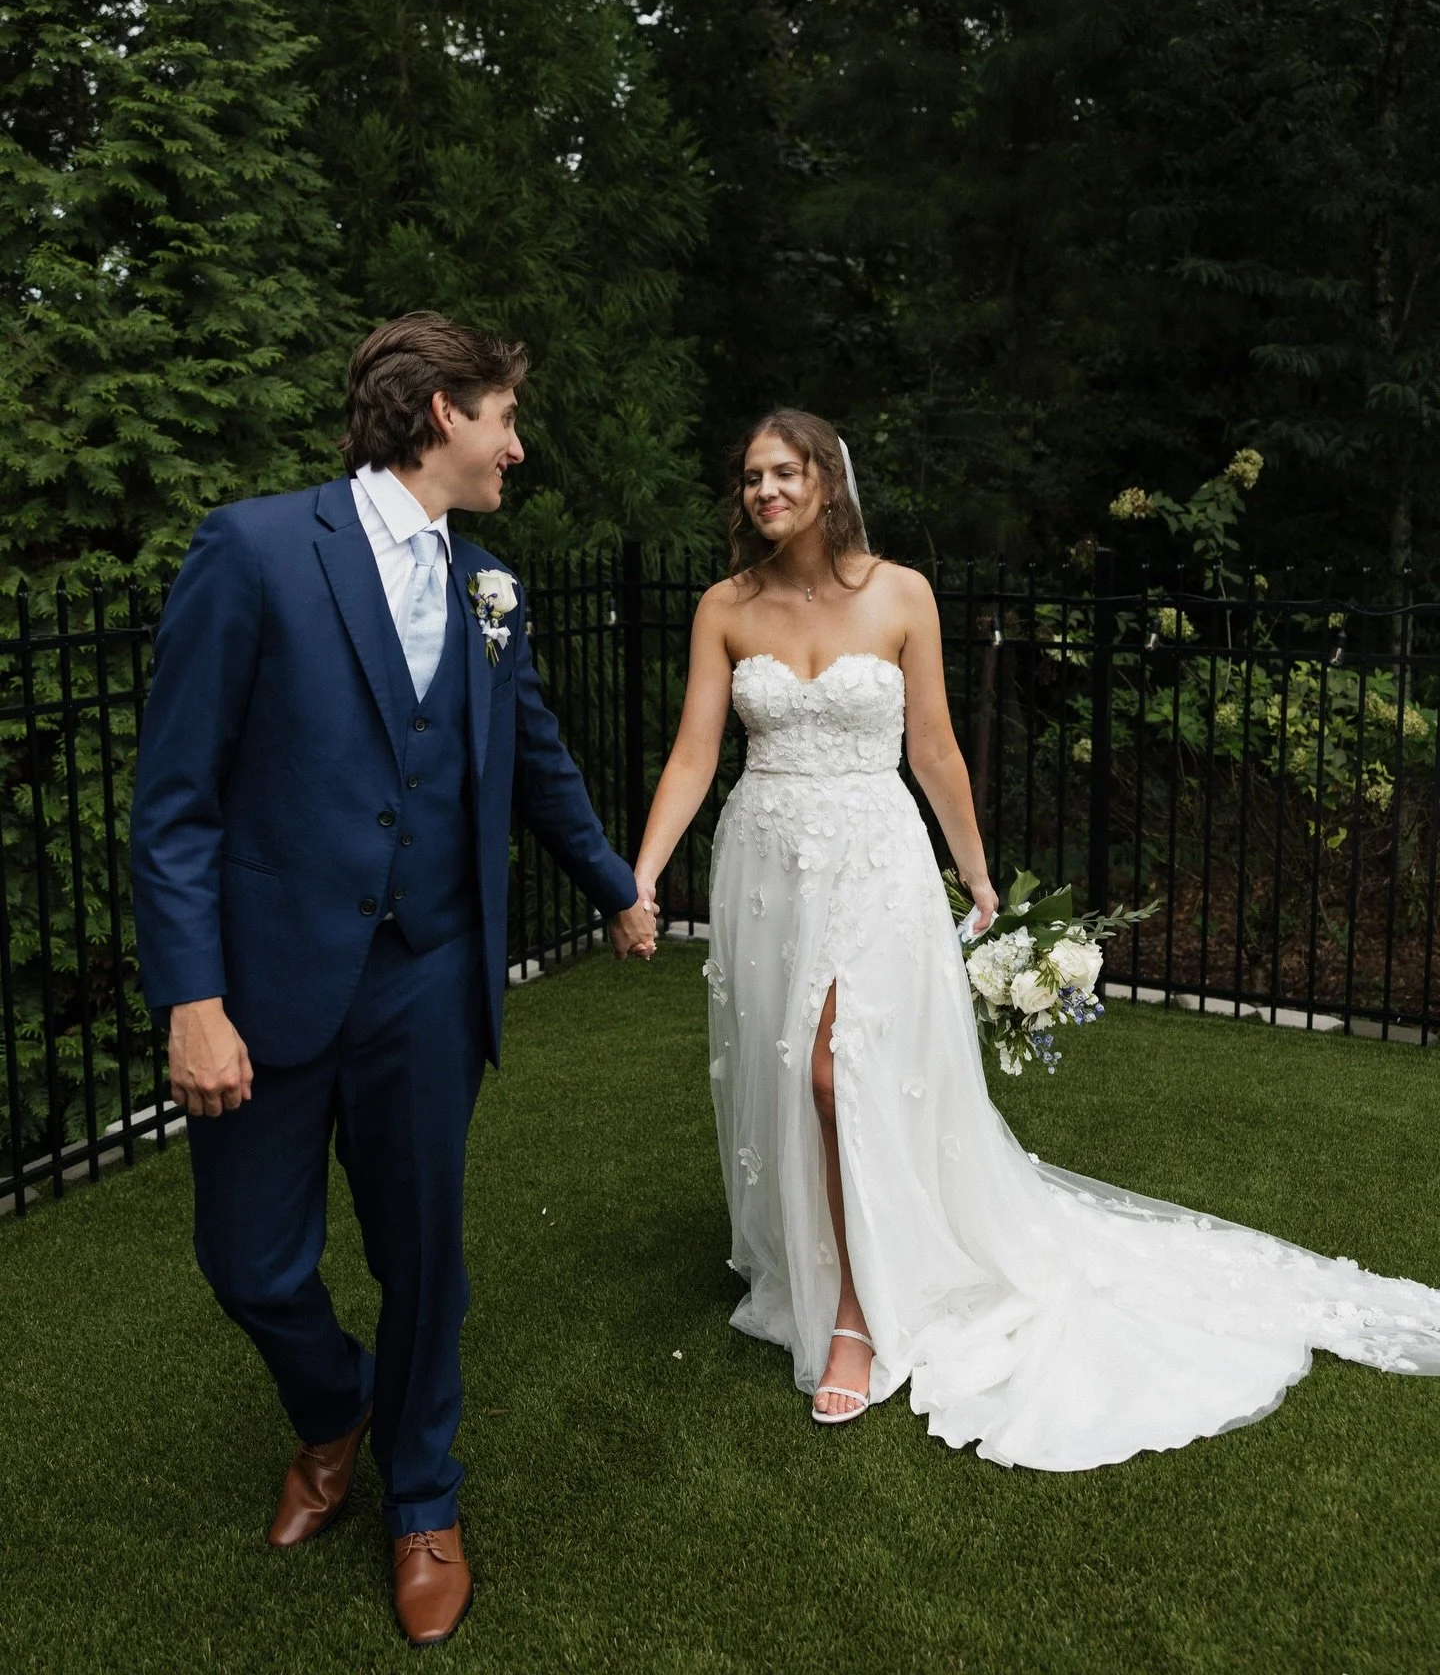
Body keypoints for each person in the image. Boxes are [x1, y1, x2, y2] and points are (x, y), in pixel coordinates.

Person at [634, 409, 1440, 1461]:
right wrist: (642, 876)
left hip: (876, 862)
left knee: (838, 1072)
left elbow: (933, 748)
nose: (765, 491)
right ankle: (819, 1255)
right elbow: (697, 753)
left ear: (828, 484)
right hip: (765, 868)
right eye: (751, 477)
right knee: (792, 1076)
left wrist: (974, 877)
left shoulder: (902, 594)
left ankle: (859, 1318)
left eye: (784, 473)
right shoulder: (723, 607)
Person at [130, 312, 656, 1647]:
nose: (516, 450)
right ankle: (331, 1411)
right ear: (440, 414)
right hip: (264, 986)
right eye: (504, 420)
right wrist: (193, 999)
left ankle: (423, 1494)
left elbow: (532, 756)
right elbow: (176, 802)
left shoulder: (493, 590)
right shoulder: (252, 550)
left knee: (426, 1259)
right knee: (249, 1264)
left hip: (429, 979)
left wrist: (615, 883)